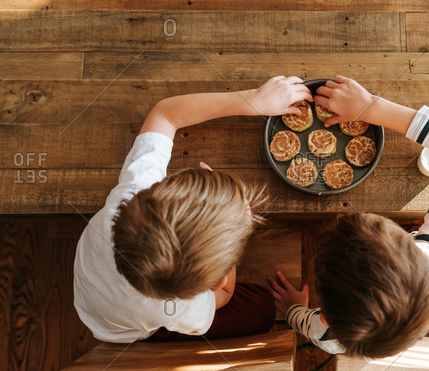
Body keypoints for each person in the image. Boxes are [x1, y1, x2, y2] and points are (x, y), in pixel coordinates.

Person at [268, 75, 429, 358]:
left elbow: (305, 322)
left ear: (324, 316)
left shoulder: (325, 336)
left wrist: (292, 310)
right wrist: (369, 106)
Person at [74, 76, 311, 343]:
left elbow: (164, 114)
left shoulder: (132, 193)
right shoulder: (178, 309)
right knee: (263, 310)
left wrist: (251, 100)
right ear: (215, 281)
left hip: (100, 296)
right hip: (128, 326)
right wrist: (236, 235)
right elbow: (224, 294)